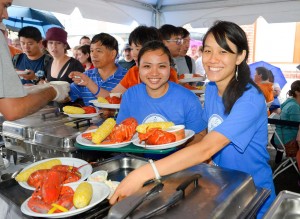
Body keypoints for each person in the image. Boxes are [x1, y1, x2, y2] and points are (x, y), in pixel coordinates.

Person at [110, 20, 276, 219]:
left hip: (252, 192)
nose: (213, 59)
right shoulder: (213, 88)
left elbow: (207, 147)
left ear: (240, 56)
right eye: (207, 51)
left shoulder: (249, 99)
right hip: (223, 186)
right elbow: (203, 133)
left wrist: (144, 173)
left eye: (223, 52)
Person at [117, 40, 206, 143]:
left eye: (162, 66)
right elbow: (122, 133)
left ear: (170, 69)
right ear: (138, 69)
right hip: (138, 158)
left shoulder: (188, 99)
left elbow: (200, 136)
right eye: (147, 66)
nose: (154, 73)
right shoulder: (130, 95)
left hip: (178, 157)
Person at [0, 0, 70, 121]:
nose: (6, 15)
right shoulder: (16, 58)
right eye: (5, 5)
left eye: (57, 43)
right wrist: (54, 91)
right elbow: (13, 110)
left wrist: (36, 82)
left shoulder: (49, 61)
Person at [92, 25, 178, 96]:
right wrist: (89, 83)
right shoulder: (133, 72)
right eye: (132, 49)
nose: (134, 54)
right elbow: (112, 96)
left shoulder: (168, 73)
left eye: (138, 49)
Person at [68, 33, 127, 106]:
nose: (93, 55)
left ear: (113, 53)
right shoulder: (86, 76)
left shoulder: (127, 77)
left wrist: (89, 83)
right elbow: (66, 95)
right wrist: (54, 91)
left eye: (99, 51)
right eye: (92, 51)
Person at [273, 80, 300, 162]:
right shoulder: (294, 106)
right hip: (289, 141)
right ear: (297, 92)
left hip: (282, 138)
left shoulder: (290, 103)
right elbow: (297, 126)